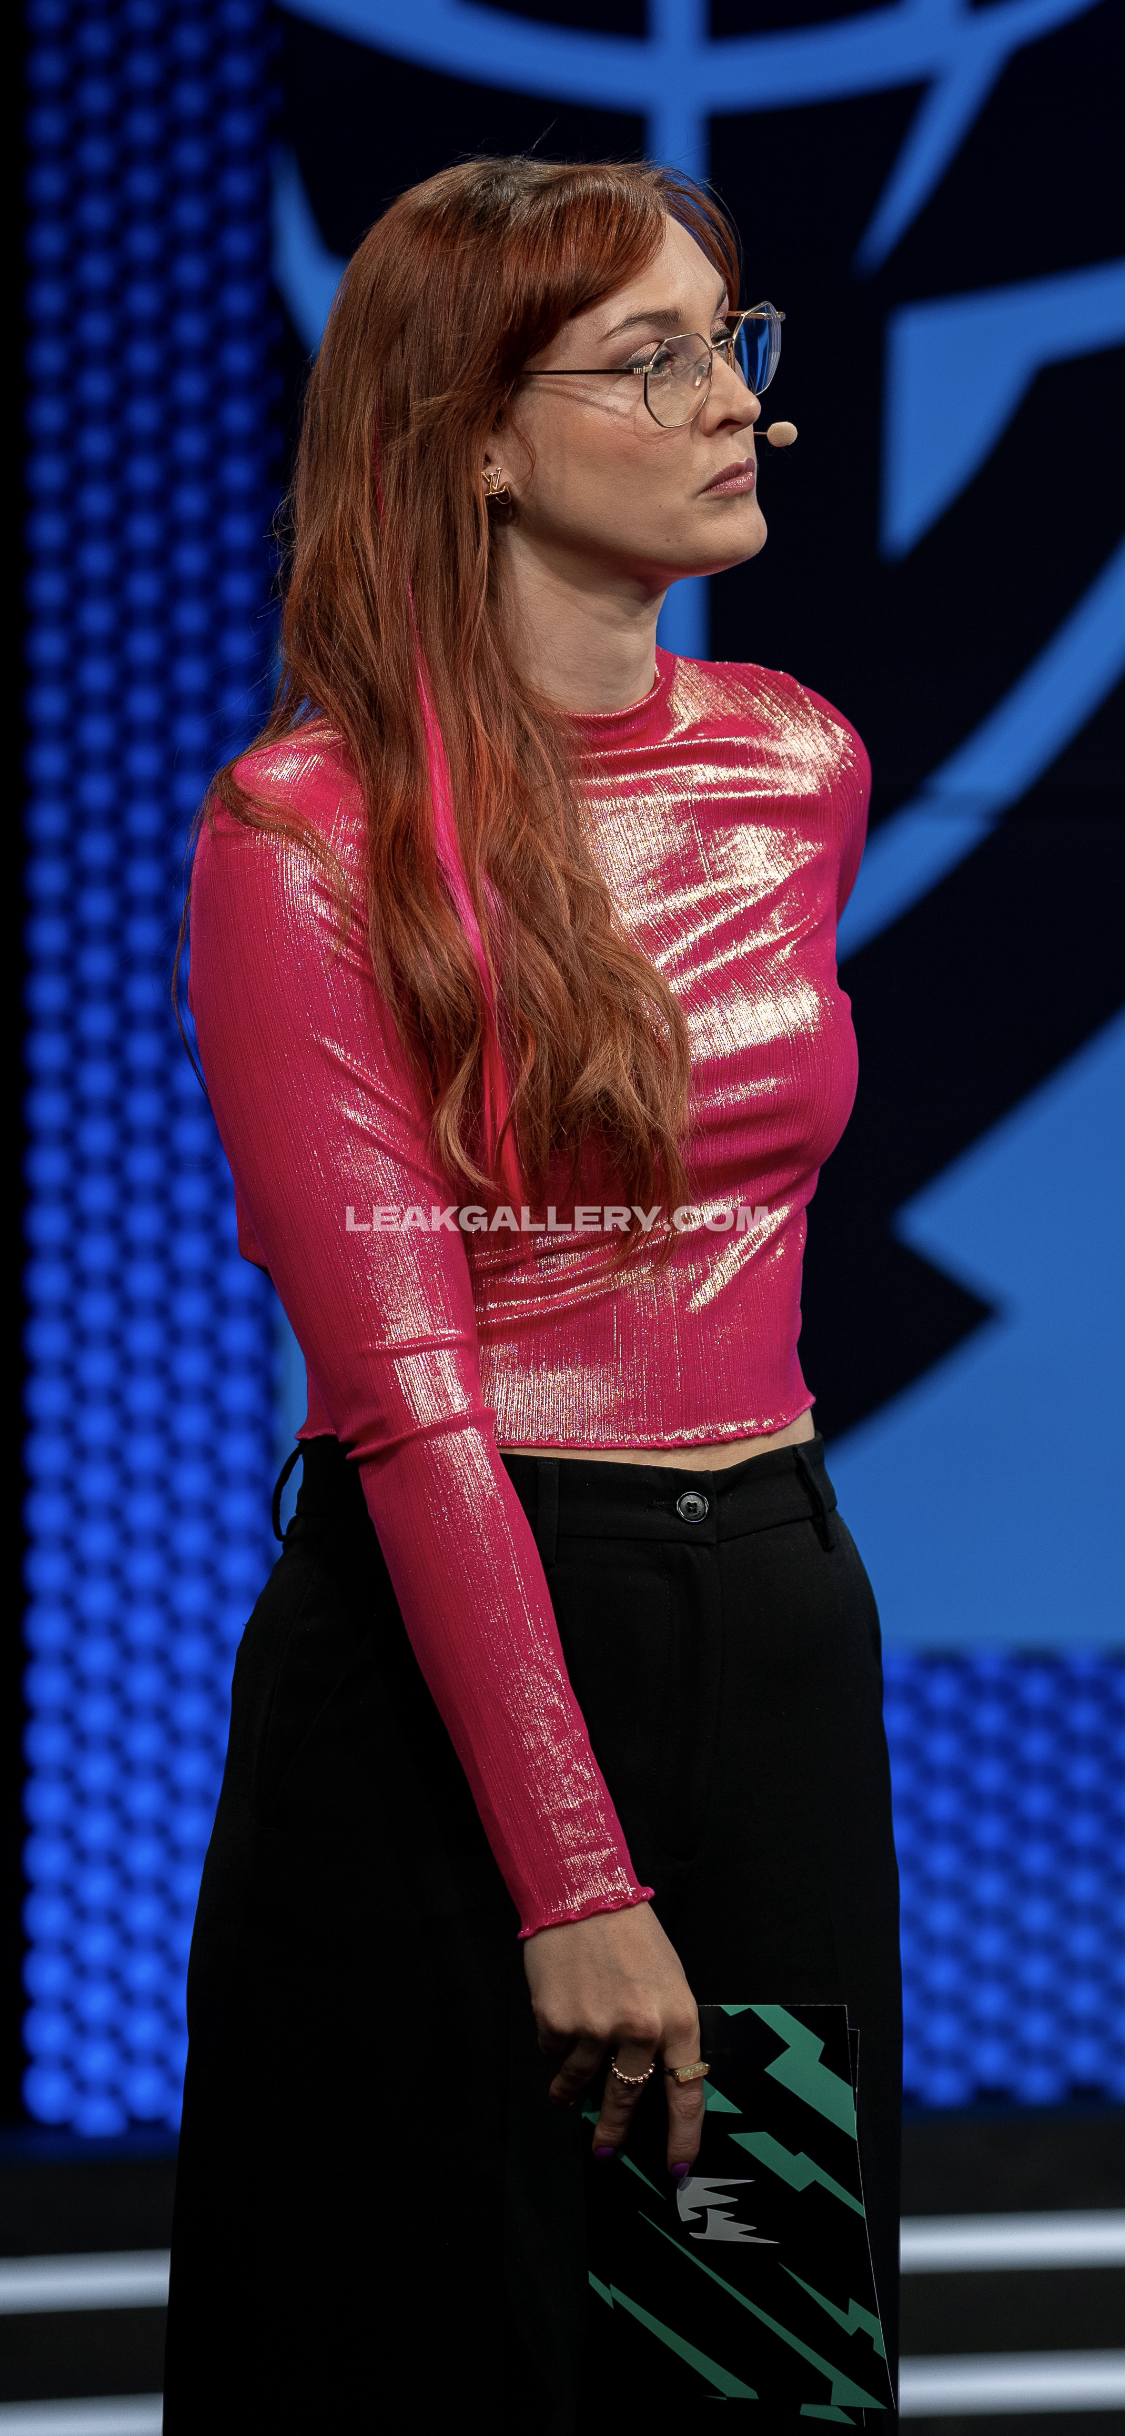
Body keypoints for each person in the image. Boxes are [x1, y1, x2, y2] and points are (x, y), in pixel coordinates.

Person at [162, 155, 901, 2431]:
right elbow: (407, 1396)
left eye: (730, 345)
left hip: (767, 1612)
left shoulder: (797, 761)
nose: (735, 404)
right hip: (449, 1634)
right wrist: (572, 1876)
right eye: (651, 361)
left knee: (755, 2351)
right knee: (405, 2358)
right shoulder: (304, 835)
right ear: (476, 436)